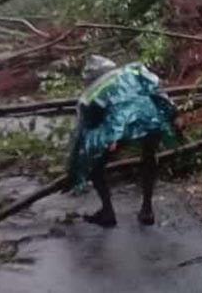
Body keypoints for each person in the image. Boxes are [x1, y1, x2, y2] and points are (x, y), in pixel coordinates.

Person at [67, 56, 180, 227]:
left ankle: (107, 211)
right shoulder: (133, 70)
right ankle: (147, 209)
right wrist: (171, 114)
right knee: (149, 157)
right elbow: (156, 89)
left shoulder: (90, 94)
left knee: (96, 167)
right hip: (150, 117)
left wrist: (76, 167)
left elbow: (86, 129)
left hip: (120, 127)